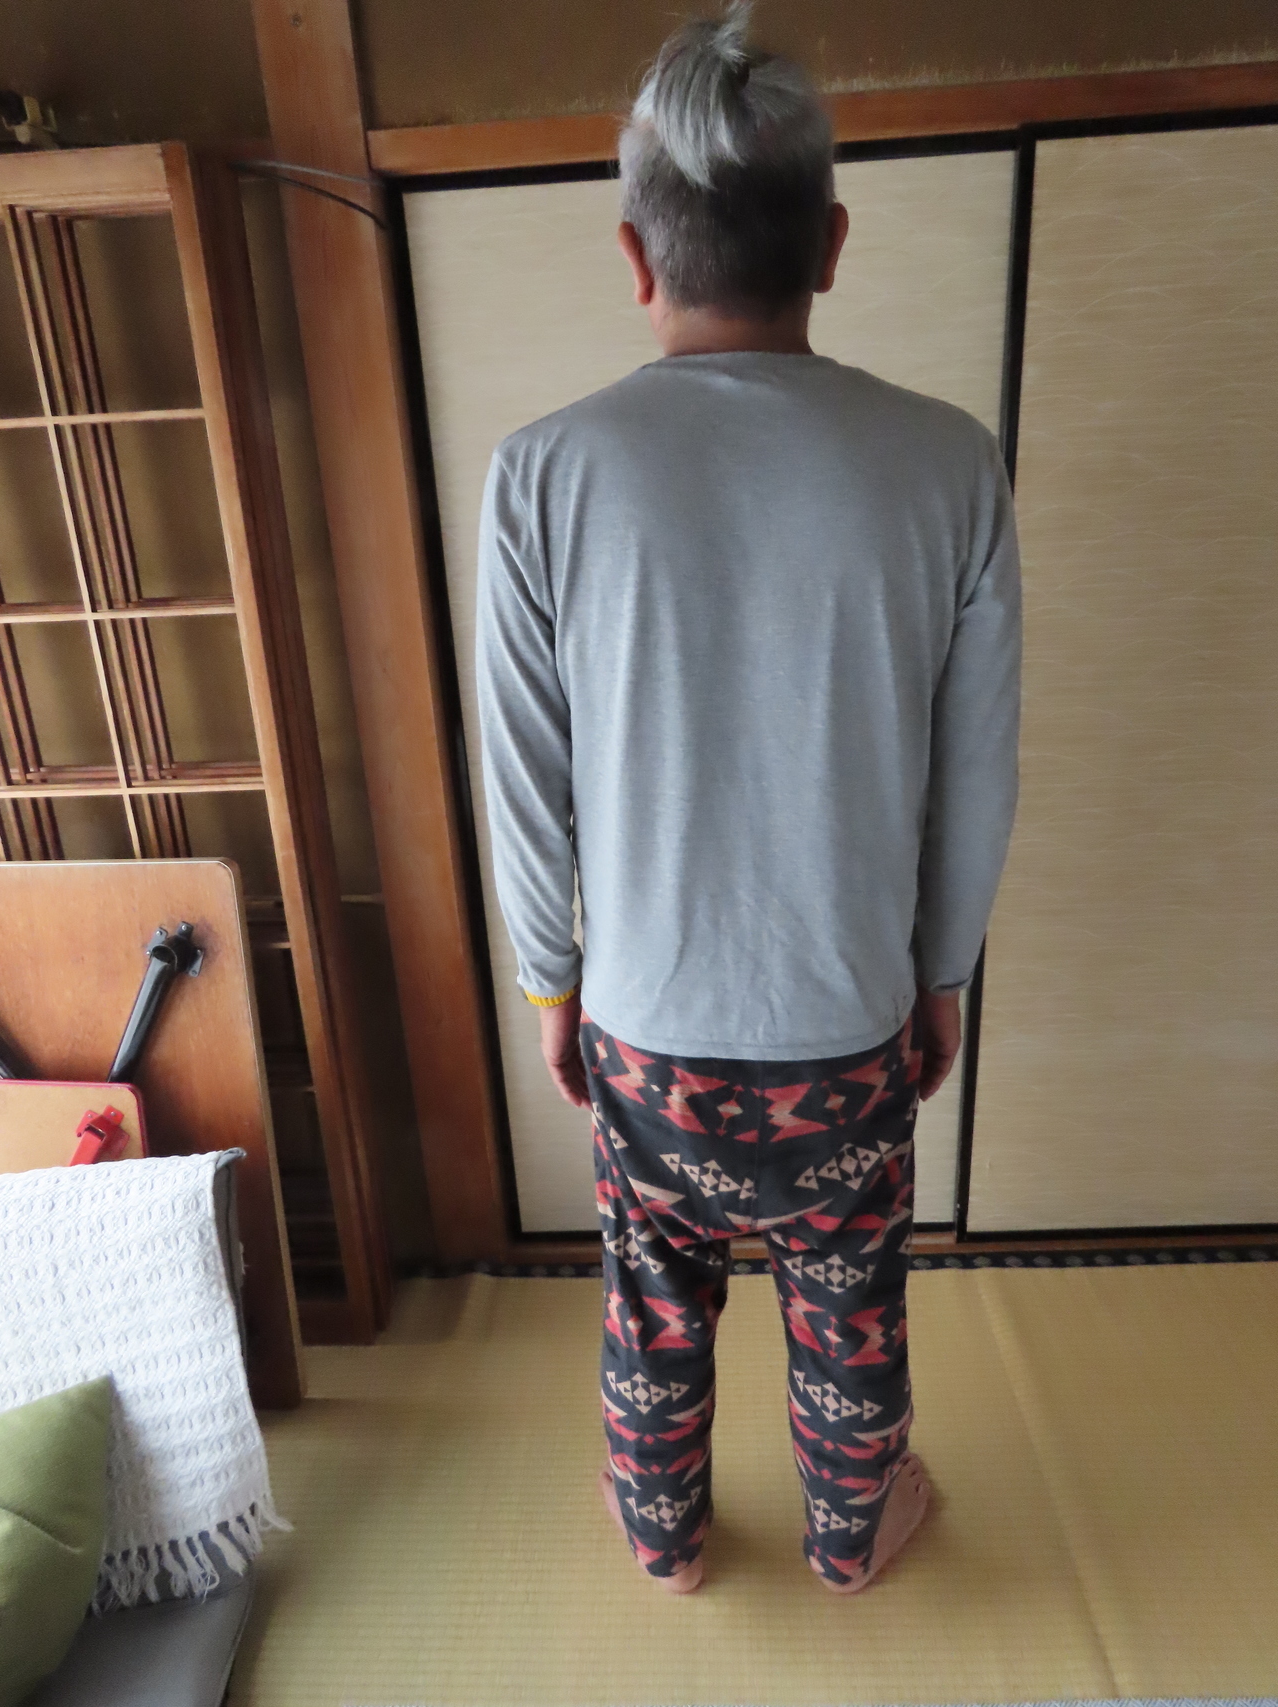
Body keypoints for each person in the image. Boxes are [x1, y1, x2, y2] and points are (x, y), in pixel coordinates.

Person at [475, 1, 1021, 1597]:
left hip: (645, 1026)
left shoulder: (540, 474)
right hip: (849, 1021)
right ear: (831, 244)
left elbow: (526, 776)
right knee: (852, 1298)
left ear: (634, 257)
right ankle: (854, 1535)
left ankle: (666, 1541)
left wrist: (552, 986)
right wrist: (942, 977)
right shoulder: (948, 463)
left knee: (653, 1292)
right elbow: (977, 766)